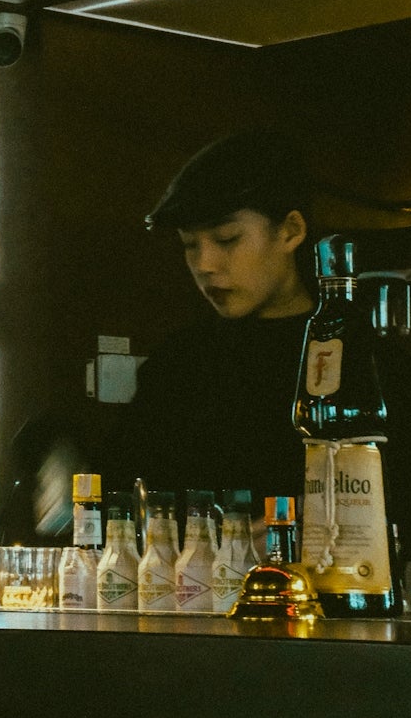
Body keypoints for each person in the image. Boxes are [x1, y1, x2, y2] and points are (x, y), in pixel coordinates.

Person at [114, 130, 316, 507]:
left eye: (227, 239)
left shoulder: (357, 361)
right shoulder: (178, 364)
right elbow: (122, 482)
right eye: (190, 245)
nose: (204, 265)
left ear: (291, 231)